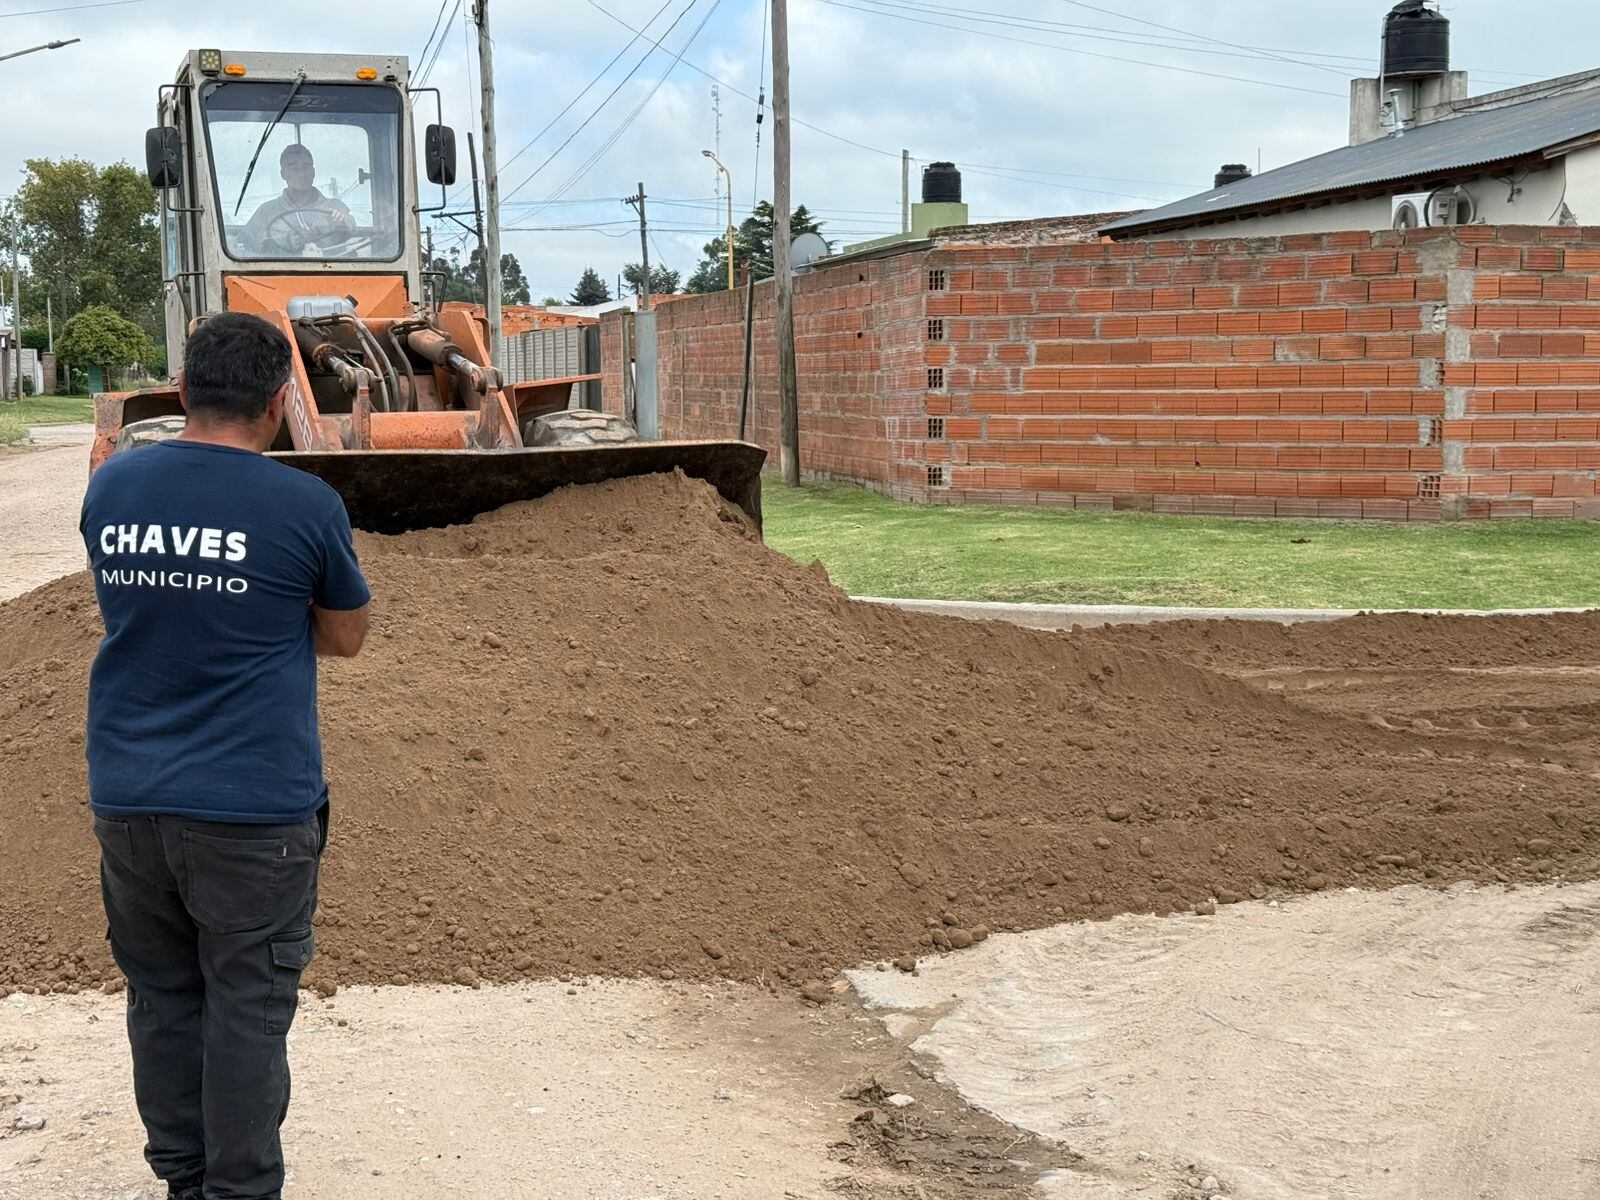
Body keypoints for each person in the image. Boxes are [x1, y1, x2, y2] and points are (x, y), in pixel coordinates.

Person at [80, 311, 371, 1200]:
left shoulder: (113, 491)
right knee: (246, 1004)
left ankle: (182, 1178)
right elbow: (347, 637)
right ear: (281, 400)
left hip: (128, 799)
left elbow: (132, 609)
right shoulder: (306, 506)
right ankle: (239, 1191)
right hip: (253, 810)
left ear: (183, 388)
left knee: (162, 996)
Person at [242, 143, 355, 256]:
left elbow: (350, 226)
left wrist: (340, 223)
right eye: (293, 168)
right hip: (282, 272)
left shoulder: (334, 207)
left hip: (330, 271)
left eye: (306, 167)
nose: (301, 174)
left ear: (313, 172)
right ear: (283, 174)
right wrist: (285, 239)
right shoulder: (267, 211)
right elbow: (245, 244)